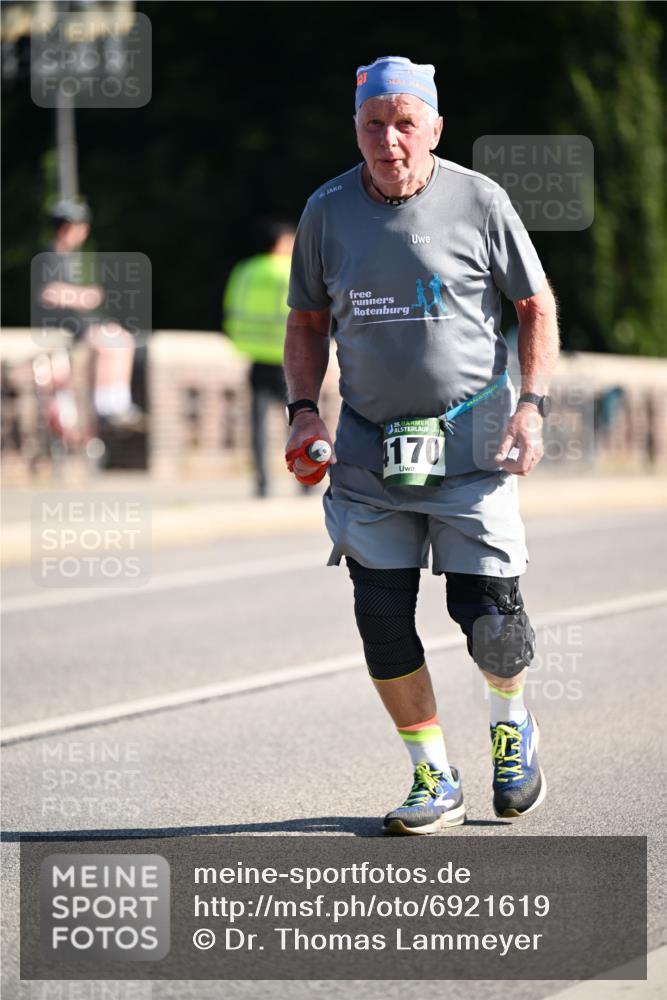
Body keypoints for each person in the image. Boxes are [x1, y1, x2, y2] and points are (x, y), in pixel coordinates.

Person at [284, 56, 560, 834]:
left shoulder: (479, 200)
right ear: (356, 129)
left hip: (474, 446)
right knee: (380, 614)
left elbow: (534, 306)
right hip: (368, 451)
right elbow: (305, 323)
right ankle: (432, 774)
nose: (389, 140)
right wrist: (303, 412)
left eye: (404, 123)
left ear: (434, 127)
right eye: (373, 123)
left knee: (490, 619)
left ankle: (511, 727)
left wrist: (531, 406)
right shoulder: (326, 210)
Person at [37, 199, 144, 429]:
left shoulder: (71, 258)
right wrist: (83, 296)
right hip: (64, 324)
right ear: (66, 228)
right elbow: (49, 293)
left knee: (123, 339)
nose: (84, 233)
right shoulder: (49, 257)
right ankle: (105, 405)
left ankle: (118, 402)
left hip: (79, 321)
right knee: (108, 343)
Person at [223, 221, 295, 497]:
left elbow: (231, 306)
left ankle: (262, 482)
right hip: (286, 357)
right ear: (280, 243)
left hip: (255, 354)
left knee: (258, 424)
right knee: (298, 419)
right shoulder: (289, 270)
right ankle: (305, 477)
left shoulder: (245, 270)